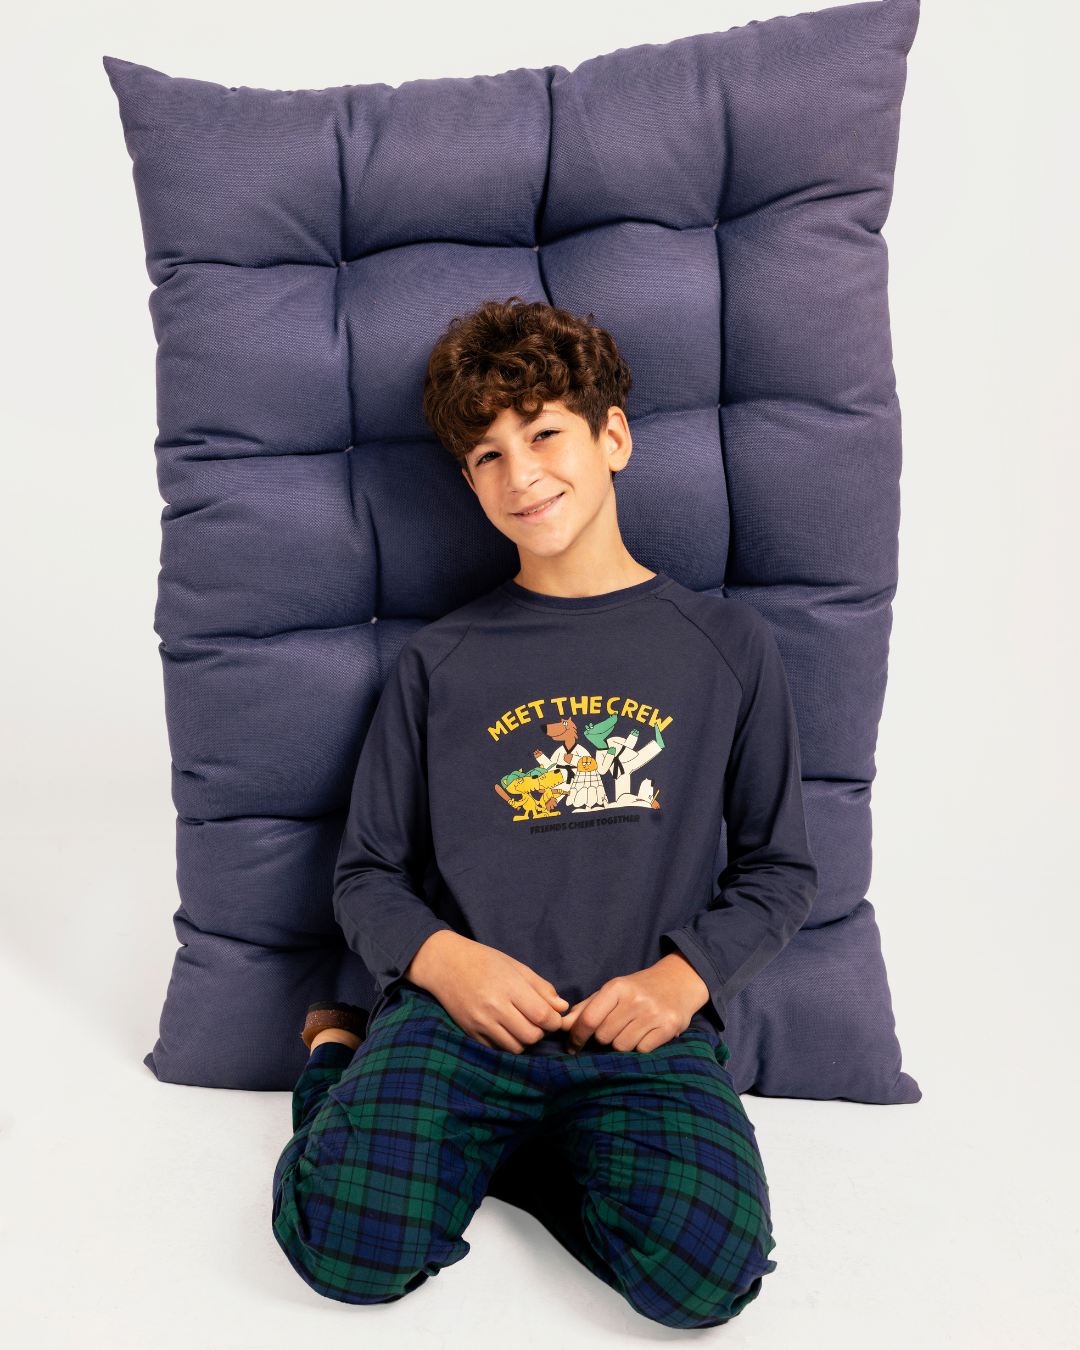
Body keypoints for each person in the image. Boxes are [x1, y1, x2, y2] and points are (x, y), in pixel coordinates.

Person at [271, 298, 818, 1329]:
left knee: (709, 1280)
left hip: (638, 1030)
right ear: (469, 481)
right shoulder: (438, 662)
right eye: (487, 455)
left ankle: (497, 1158)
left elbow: (778, 871)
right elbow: (367, 875)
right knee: (346, 1247)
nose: (520, 474)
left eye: (544, 434)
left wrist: (682, 980)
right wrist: (446, 964)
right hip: (460, 1020)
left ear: (613, 437)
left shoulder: (727, 644)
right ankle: (338, 1055)